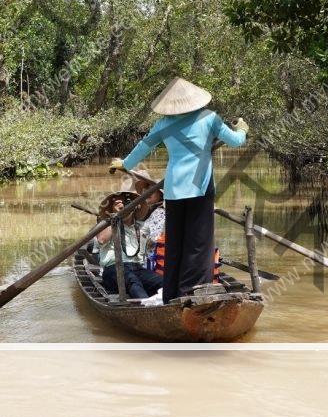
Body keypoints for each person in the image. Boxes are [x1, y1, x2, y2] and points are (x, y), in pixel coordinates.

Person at [111, 77, 247, 303]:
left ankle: (173, 293)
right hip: (200, 188)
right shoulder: (209, 118)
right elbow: (234, 141)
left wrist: (125, 164)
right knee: (198, 244)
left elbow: (143, 147)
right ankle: (192, 292)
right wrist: (242, 129)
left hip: (174, 190)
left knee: (175, 243)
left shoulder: (164, 124)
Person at [94, 185, 164, 303]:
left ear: (135, 206)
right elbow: (101, 240)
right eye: (118, 204)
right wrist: (116, 217)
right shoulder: (106, 225)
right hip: (113, 270)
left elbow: (154, 242)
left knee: (164, 281)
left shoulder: (142, 228)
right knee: (131, 280)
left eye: (127, 203)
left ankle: (170, 303)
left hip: (137, 268)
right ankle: (146, 308)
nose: (123, 207)